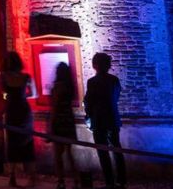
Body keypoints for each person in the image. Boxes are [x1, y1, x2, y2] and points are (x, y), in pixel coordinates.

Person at [83, 52, 124, 189]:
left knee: (103, 152)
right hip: (113, 118)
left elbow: (89, 101)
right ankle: (122, 181)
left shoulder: (92, 82)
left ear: (95, 65)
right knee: (117, 149)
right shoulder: (114, 80)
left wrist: (88, 115)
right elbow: (117, 96)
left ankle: (109, 182)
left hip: (99, 120)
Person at [1, 50, 36, 187]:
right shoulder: (26, 77)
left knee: (12, 143)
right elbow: (33, 94)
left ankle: (12, 177)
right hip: (24, 110)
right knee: (27, 143)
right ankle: (32, 177)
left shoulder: (3, 77)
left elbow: (4, 94)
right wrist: (22, 97)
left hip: (11, 110)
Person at [49, 61, 79, 189]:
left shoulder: (57, 87)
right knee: (69, 151)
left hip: (59, 120)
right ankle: (76, 180)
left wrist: (51, 124)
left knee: (58, 154)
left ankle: (61, 181)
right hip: (68, 118)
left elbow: (54, 107)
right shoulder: (70, 86)